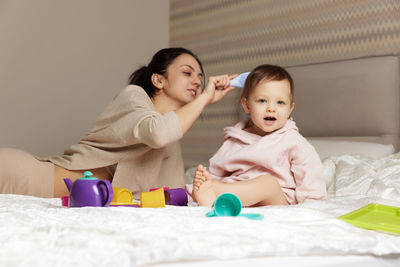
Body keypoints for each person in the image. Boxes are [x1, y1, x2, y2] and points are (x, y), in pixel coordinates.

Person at [0, 47, 237, 198]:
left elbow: (174, 194)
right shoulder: (134, 97)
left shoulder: (172, 135)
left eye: (200, 76)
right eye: (187, 73)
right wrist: (205, 98)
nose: (197, 80)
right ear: (158, 80)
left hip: (54, 200)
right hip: (26, 178)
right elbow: (157, 133)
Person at [189, 64, 327, 207]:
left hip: (276, 201)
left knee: (268, 183)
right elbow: (216, 170)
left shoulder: (293, 142)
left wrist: (312, 206)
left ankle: (215, 193)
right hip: (239, 196)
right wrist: (204, 181)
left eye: (280, 102)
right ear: (247, 105)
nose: (271, 108)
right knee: (208, 183)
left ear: (290, 109)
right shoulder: (235, 139)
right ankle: (210, 194)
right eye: (262, 101)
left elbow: (311, 180)